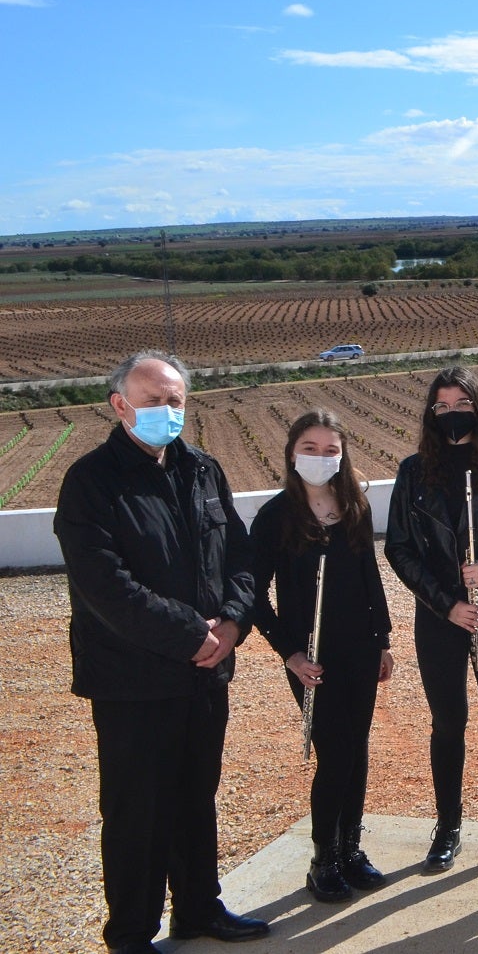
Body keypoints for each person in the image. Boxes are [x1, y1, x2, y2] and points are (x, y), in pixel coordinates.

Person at [54, 351, 269, 953]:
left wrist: (230, 624)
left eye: (175, 401)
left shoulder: (202, 470)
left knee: (196, 798)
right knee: (136, 813)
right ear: (120, 405)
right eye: (153, 401)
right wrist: (189, 633)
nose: (167, 412)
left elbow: (241, 558)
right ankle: (130, 934)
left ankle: (198, 909)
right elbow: (106, 587)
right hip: (133, 682)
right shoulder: (92, 482)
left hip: (205, 675)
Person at [383, 365, 478, 874]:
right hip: (440, 615)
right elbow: (401, 550)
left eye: (462, 404)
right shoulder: (413, 472)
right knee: (448, 723)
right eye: (443, 406)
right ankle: (448, 827)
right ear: (432, 413)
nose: (453, 414)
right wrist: (447, 603)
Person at [249, 410, 394, 903]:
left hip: (359, 649)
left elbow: (370, 577)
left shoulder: (355, 505)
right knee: (335, 754)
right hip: (311, 656)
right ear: (292, 452)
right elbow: (251, 596)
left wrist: (383, 640)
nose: (320, 457)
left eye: (330, 449)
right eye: (309, 447)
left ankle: (351, 850)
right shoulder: (275, 517)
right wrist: (287, 653)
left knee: (357, 749)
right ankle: (322, 859)